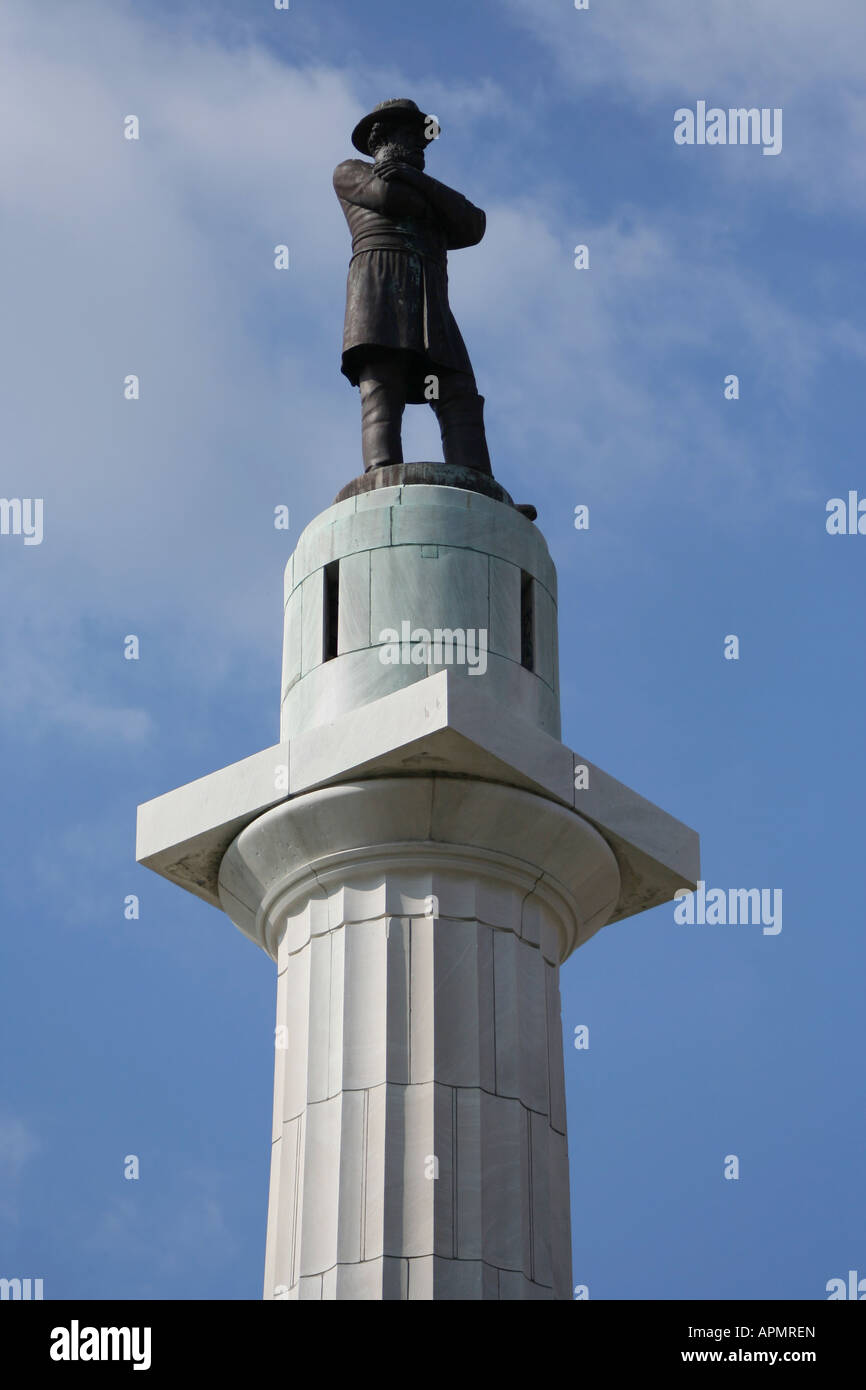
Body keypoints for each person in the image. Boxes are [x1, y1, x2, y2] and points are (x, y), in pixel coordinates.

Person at [333, 98, 492, 474]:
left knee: (458, 391)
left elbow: (474, 224)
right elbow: (389, 198)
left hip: (431, 300)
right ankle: (381, 473)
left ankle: (478, 482)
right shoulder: (349, 171)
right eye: (412, 136)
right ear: (383, 138)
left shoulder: (416, 182)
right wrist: (428, 198)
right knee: (383, 384)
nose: (421, 145)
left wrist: (413, 176)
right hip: (379, 288)